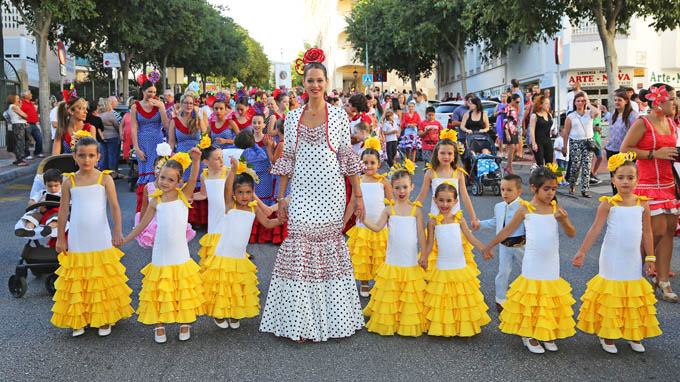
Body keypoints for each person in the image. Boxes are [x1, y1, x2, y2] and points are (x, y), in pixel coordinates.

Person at [259, 51, 366, 342]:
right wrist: (282, 197)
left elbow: (346, 157)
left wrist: (357, 196)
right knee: (299, 250)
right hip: (302, 193)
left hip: (331, 194)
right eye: (310, 81)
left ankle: (332, 320)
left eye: (319, 80)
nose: (315, 85)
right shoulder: (292, 118)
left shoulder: (339, 116)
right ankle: (300, 323)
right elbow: (288, 158)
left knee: (327, 254)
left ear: (327, 82)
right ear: (302, 83)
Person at [573, 153, 661, 354]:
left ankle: (632, 332)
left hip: (632, 258)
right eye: (621, 177)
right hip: (611, 256)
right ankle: (608, 333)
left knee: (632, 291)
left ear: (637, 180)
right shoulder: (608, 204)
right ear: (613, 179)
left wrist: (650, 257)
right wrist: (582, 252)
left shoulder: (643, 204)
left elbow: (647, 231)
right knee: (612, 292)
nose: (626, 182)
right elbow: (595, 229)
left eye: (630, 177)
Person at [483, 167, 576, 354]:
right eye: (547, 189)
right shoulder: (525, 208)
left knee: (547, 296)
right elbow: (507, 230)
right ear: (534, 188)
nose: (551, 193)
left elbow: (571, 233)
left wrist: (564, 221)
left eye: (554, 189)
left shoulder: (556, 208)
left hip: (551, 261)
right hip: (532, 260)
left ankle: (544, 331)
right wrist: (489, 246)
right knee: (532, 295)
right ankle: (528, 334)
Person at [121, 148, 206, 344]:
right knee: (159, 288)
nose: (165, 183)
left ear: (179, 182)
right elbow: (142, 225)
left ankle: (185, 321)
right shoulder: (155, 200)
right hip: (160, 253)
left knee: (182, 287)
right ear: (157, 177)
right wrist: (126, 239)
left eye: (170, 180)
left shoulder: (184, 195)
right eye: (162, 178)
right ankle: (159, 324)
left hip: (180, 253)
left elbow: (193, 178)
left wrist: (196, 160)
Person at [52, 136, 133, 337]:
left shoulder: (104, 178)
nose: (86, 160)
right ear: (74, 156)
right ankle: (79, 317)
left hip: (100, 235)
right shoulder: (69, 181)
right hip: (78, 236)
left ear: (98, 156)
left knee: (100, 275)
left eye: (90, 156)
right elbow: (63, 211)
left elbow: (114, 207)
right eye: (82, 155)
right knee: (79, 274)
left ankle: (103, 316)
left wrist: (117, 231)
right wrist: (61, 238)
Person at [203, 156, 283, 330]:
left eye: (248, 192)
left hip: (239, 256)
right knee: (223, 286)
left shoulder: (253, 208)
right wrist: (233, 170)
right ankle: (220, 313)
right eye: (240, 192)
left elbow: (268, 223)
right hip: (224, 254)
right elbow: (226, 188)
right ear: (233, 193)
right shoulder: (230, 206)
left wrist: (280, 219)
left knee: (236, 286)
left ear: (253, 191)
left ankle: (234, 313)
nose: (244, 196)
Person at [620, 83, 679, 303]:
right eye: (672, 98)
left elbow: (669, 152)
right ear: (659, 100)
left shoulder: (672, 123)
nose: (675, 102)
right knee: (655, 232)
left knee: (669, 231)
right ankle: (632, 277)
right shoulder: (642, 122)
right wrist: (655, 153)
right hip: (646, 184)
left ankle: (663, 280)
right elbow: (625, 149)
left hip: (667, 184)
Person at [361, 164, 427, 336]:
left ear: (412, 187)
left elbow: (421, 233)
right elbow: (377, 228)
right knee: (391, 292)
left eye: (405, 187)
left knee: (409, 293)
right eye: (397, 187)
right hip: (393, 259)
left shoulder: (416, 210)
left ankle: (407, 320)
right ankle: (390, 319)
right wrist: (363, 219)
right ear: (392, 188)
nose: (401, 191)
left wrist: (425, 254)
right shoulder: (389, 209)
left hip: (410, 260)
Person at [420, 182, 491, 337]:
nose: (445, 204)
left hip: (459, 265)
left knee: (461, 295)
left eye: (448, 201)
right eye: (441, 200)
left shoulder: (459, 219)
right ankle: (446, 326)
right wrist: (424, 256)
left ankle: (461, 325)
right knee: (444, 297)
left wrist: (484, 249)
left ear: (455, 202)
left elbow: (470, 237)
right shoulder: (433, 222)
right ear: (435, 200)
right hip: (443, 265)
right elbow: (430, 243)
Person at [416, 136, 479, 271]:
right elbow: (421, 196)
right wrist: (408, 212)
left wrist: (473, 217)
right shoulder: (430, 173)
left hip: (455, 220)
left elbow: (465, 197)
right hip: (436, 220)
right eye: (442, 153)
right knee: (436, 255)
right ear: (436, 154)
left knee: (455, 254)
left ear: (455, 155)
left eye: (450, 153)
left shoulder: (458, 174)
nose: (446, 156)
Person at [345, 143, 393, 297]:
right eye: (365, 163)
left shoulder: (383, 181)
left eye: (372, 163)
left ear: (379, 164)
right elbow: (353, 202)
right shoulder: (358, 181)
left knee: (380, 256)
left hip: (380, 225)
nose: (369, 166)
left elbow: (392, 203)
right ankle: (365, 283)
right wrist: (344, 221)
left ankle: (379, 283)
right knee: (364, 256)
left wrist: (395, 223)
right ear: (360, 163)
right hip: (362, 225)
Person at [479, 174, 525, 313]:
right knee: (503, 272)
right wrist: (479, 224)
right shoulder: (498, 206)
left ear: (519, 191)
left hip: (522, 245)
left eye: (509, 190)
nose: (505, 193)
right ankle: (500, 300)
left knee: (527, 272)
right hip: (504, 245)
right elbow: (495, 221)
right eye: (502, 189)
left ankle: (526, 300)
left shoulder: (524, 207)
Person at [133, 151, 196, 249]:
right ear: (153, 168)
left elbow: (192, 181)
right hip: (153, 222)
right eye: (157, 168)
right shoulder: (148, 187)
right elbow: (144, 207)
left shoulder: (175, 190)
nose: (159, 171)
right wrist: (142, 226)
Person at [131, 80, 168, 211]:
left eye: (154, 92)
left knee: (156, 172)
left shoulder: (159, 105)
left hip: (157, 143)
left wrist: (162, 107)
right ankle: (143, 210)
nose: (152, 94)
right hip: (142, 143)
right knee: (144, 174)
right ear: (143, 91)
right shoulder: (135, 106)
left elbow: (166, 125)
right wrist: (136, 149)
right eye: (149, 91)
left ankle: (157, 209)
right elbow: (133, 128)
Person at [192, 145, 227, 266]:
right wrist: (188, 196)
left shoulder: (227, 172)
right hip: (214, 215)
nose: (222, 161)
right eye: (217, 158)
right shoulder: (204, 176)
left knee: (225, 239)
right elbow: (203, 194)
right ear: (206, 162)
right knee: (214, 239)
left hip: (227, 214)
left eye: (222, 157)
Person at [563, 91, 600, 198]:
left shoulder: (589, 113)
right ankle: (572, 185)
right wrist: (565, 147)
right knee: (575, 166)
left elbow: (597, 112)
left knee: (587, 166)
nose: (580, 103)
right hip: (575, 142)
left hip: (588, 142)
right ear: (574, 103)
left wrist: (588, 103)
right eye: (577, 101)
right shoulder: (571, 116)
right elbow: (566, 132)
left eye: (581, 101)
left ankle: (585, 190)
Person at [602, 89, 638, 194]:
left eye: (620, 100)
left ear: (626, 101)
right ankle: (616, 201)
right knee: (614, 179)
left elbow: (635, 134)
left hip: (625, 153)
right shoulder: (614, 114)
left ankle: (627, 202)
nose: (617, 102)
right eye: (615, 100)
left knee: (626, 179)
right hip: (612, 151)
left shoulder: (632, 115)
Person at [15, 168, 62, 238]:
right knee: (33, 216)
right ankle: (28, 229)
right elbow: (31, 201)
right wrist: (38, 207)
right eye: (49, 186)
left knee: (56, 219)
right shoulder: (42, 192)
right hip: (43, 213)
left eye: (56, 185)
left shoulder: (63, 193)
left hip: (56, 213)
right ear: (45, 184)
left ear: (61, 184)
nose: (53, 188)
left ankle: (48, 228)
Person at [97, 97, 122, 177]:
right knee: (112, 155)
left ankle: (103, 171)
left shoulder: (99, 115)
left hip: (102, 137)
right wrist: (120, 134)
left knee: (103, 155)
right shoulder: (111, 114)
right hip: (113, 137)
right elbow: (117, 125)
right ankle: (113, 172)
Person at [529, 95, 554, 166]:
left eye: (549, 103)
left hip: (548, 140)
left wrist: (553, 130)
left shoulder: (549, 115)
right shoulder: (535, 116)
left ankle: (547, 176)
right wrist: (534, 143)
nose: (548, 105)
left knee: (549, 162)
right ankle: (540, 176)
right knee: (540, 162)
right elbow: (532, 130)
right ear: (541, 104)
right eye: (546, 103)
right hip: (538, 141)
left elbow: (550, 127)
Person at [6, 94, 29, 166]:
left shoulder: (13, 107)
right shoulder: (13, 107)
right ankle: (20, 160)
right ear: (12, 99)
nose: (19, 100)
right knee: (20, 143)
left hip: (18, 125)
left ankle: (18, 159)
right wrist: (23, 116)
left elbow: (23, 115)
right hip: (18, 125)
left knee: (19, 142)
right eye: (17, 98)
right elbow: (25, 115)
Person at [20, 89, 43, 158]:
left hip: (34, 124)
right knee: (27, 140)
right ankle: (26, 154)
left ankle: (37, 153)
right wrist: (24, 123)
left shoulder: (30, 103)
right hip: (27, 124)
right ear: (25, 95)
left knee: (39, 138)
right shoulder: (22, 103)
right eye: (30, 94)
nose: (31, 95)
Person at [503, 94, 522, 174]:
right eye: (517, 102)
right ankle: (510, 167)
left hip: (514, 129)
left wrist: (518, 120)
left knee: (515, 148)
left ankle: (508, 166)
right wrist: (507, 133)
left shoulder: (515, 108)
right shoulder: (507, 108)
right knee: (512, 148)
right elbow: (505, 120)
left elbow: (513, 118)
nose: (518, 103)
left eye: (519, 102)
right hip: (509, 129)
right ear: (512, 100)